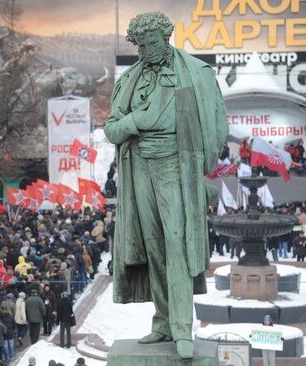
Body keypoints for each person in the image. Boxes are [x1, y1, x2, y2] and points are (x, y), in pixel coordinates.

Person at [104, 11, 228, 359]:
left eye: (152, 43)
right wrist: (133, 121)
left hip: (176, 165)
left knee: (176, 243)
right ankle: (161, 320)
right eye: (140, 45)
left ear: (166, 37)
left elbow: (216, 119)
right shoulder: (129, 80)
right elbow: (111, 129)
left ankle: (180, 326)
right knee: (153, 245)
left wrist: (204, 168)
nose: (146, 50)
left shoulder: (196, 73)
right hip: (139, 167)